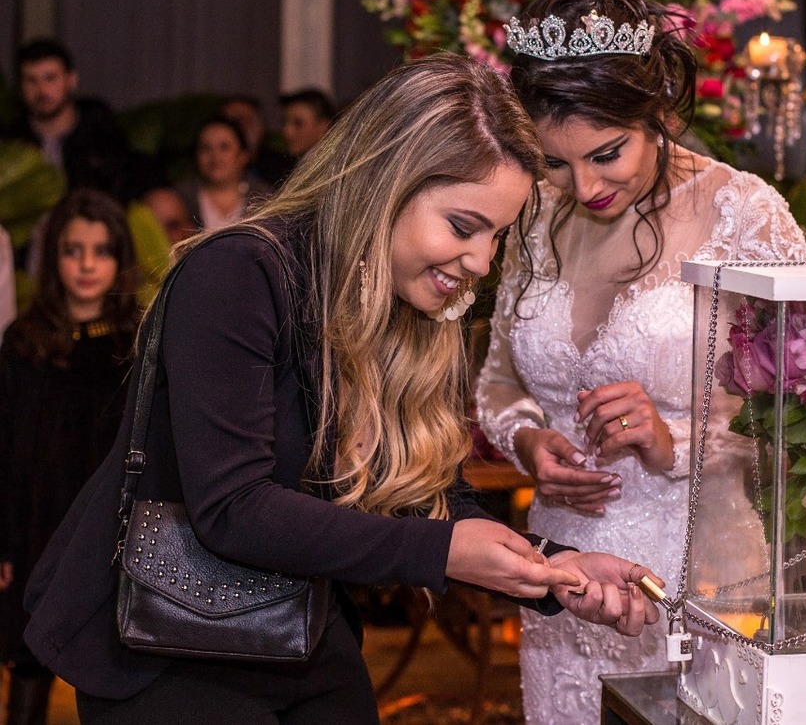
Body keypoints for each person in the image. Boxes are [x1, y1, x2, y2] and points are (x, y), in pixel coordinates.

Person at [22, 54, 661, 723]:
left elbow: (426, 497)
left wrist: (557, 570)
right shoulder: (237, 274)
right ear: (387, 182)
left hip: (297, 628)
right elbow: (233, 507)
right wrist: (442, 552)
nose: (481, 261)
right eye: (463, 226)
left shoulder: (411, 306)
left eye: (498, 235)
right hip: (163, 647)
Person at [476, 0, 806, 724]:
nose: (585, 187)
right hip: (566, 575)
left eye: (606, 154)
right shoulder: (533, 217)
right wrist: (530, 438)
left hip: (702, 570)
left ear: (655, 110)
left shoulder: (743, 212)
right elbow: (498, 382)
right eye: (556, 164)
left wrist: (675, 441)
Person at [1, 189, 141, 725]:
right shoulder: (26, 343)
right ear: (52, 258)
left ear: (119, 258)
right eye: (72, 250)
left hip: (114, 530)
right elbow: (9, 449)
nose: (86, 265)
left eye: (101, 251)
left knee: (116, 665)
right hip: (41, 525)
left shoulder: (136, 339)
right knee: (30, 656)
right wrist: (6, 542)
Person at [6, 39, 146, 204]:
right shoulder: (11, 143)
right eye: (31, 80)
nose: (41, 90)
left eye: (50, 78)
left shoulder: (102, 137)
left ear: (71, 79)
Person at [175, 116, 273, 232]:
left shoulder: (265, 198)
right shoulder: (178, 200)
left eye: (224, 147)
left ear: (243, 155)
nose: (215, 156)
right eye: (206, 148)